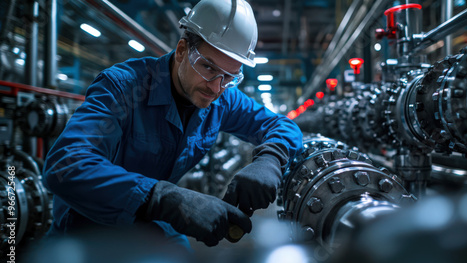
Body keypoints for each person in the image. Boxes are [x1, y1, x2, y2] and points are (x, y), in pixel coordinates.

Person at [42, 0, 302, 249]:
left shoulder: (223, 100)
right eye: (208, 68)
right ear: (181, 51)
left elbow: (282, 125)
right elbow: (66, 165)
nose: (216, 87)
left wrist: (270, 159)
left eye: (229, 77)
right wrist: (164, 198)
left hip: (144, 219)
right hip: (86, 227)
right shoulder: (124, 88)